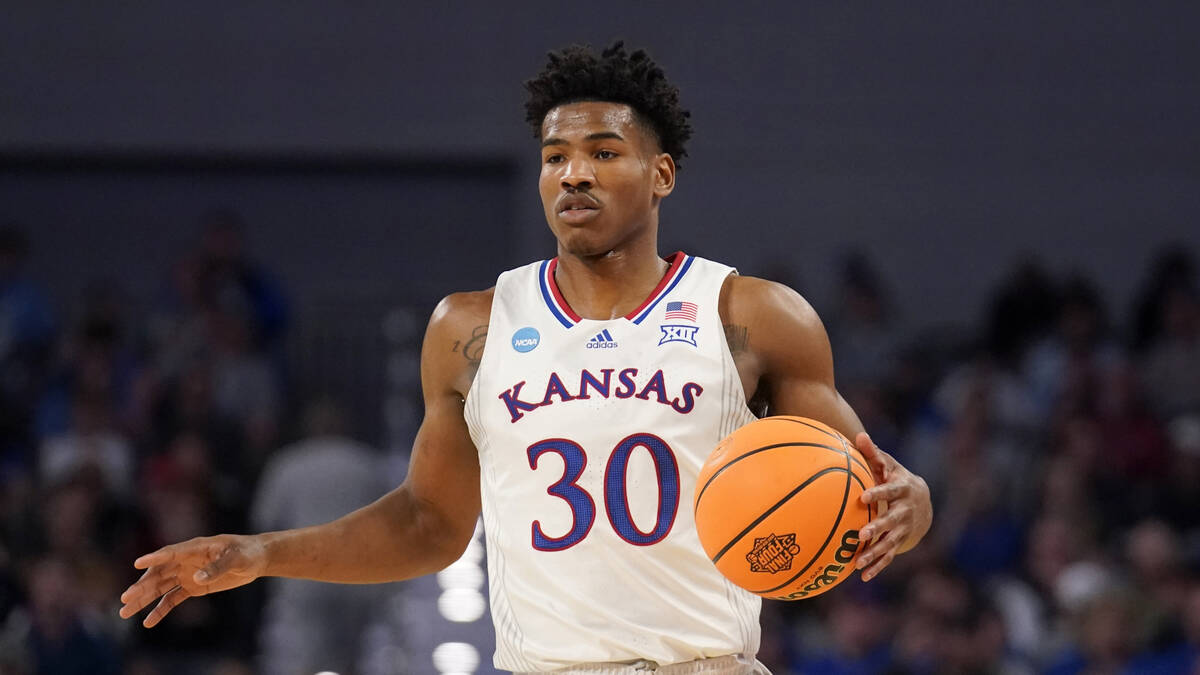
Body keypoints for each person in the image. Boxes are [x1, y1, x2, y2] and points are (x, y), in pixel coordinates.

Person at [119, 42, 933, 674]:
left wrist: (915, 501)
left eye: (605, 152)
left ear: (661, 174)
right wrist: (260, 553)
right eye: (555, 156)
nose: (574, 172)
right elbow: (428, 523)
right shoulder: (468, 327)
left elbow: (876, 489)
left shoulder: (750, 314)